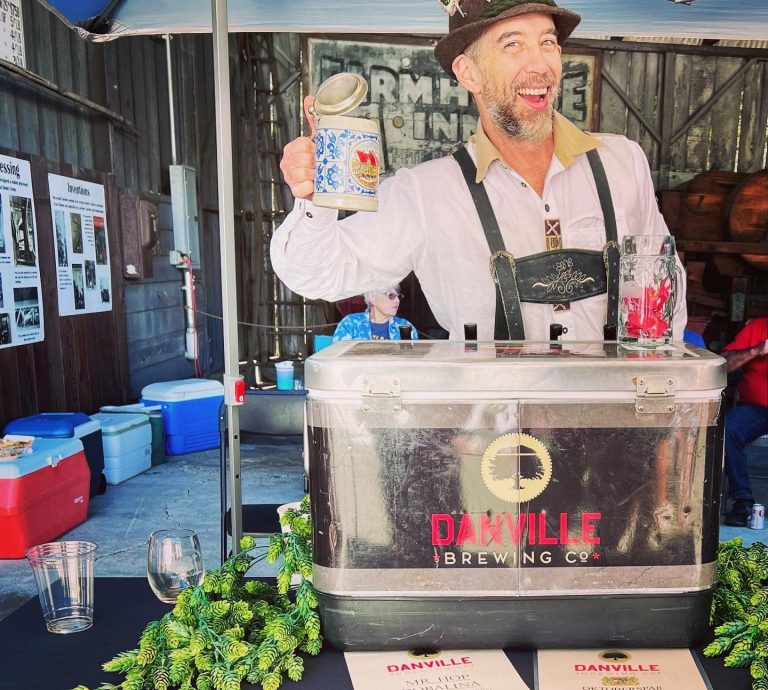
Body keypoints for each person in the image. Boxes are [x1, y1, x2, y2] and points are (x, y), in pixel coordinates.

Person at [271, 0, 687, 341]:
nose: (539, 64)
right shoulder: (428, 193)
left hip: (616, 430)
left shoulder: (622, 163)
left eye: (548, 42)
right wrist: (315, 201)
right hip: (493, 438)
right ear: (469, 73)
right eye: (512, 45)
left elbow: (668, 293)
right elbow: (318, 275)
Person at [721, 317, 768, 526]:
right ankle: (742, 500)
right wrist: (757, 350)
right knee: (729, 428)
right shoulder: (757, 327)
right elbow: (723, 364)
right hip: (756, 409)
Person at [332, 285, 418, 341]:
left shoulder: (405, 326)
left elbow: (410, 360)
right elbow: (338, 360)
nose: (397, 300)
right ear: (372, 297)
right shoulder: (350, 324)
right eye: (391, 296)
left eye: (398, 296)